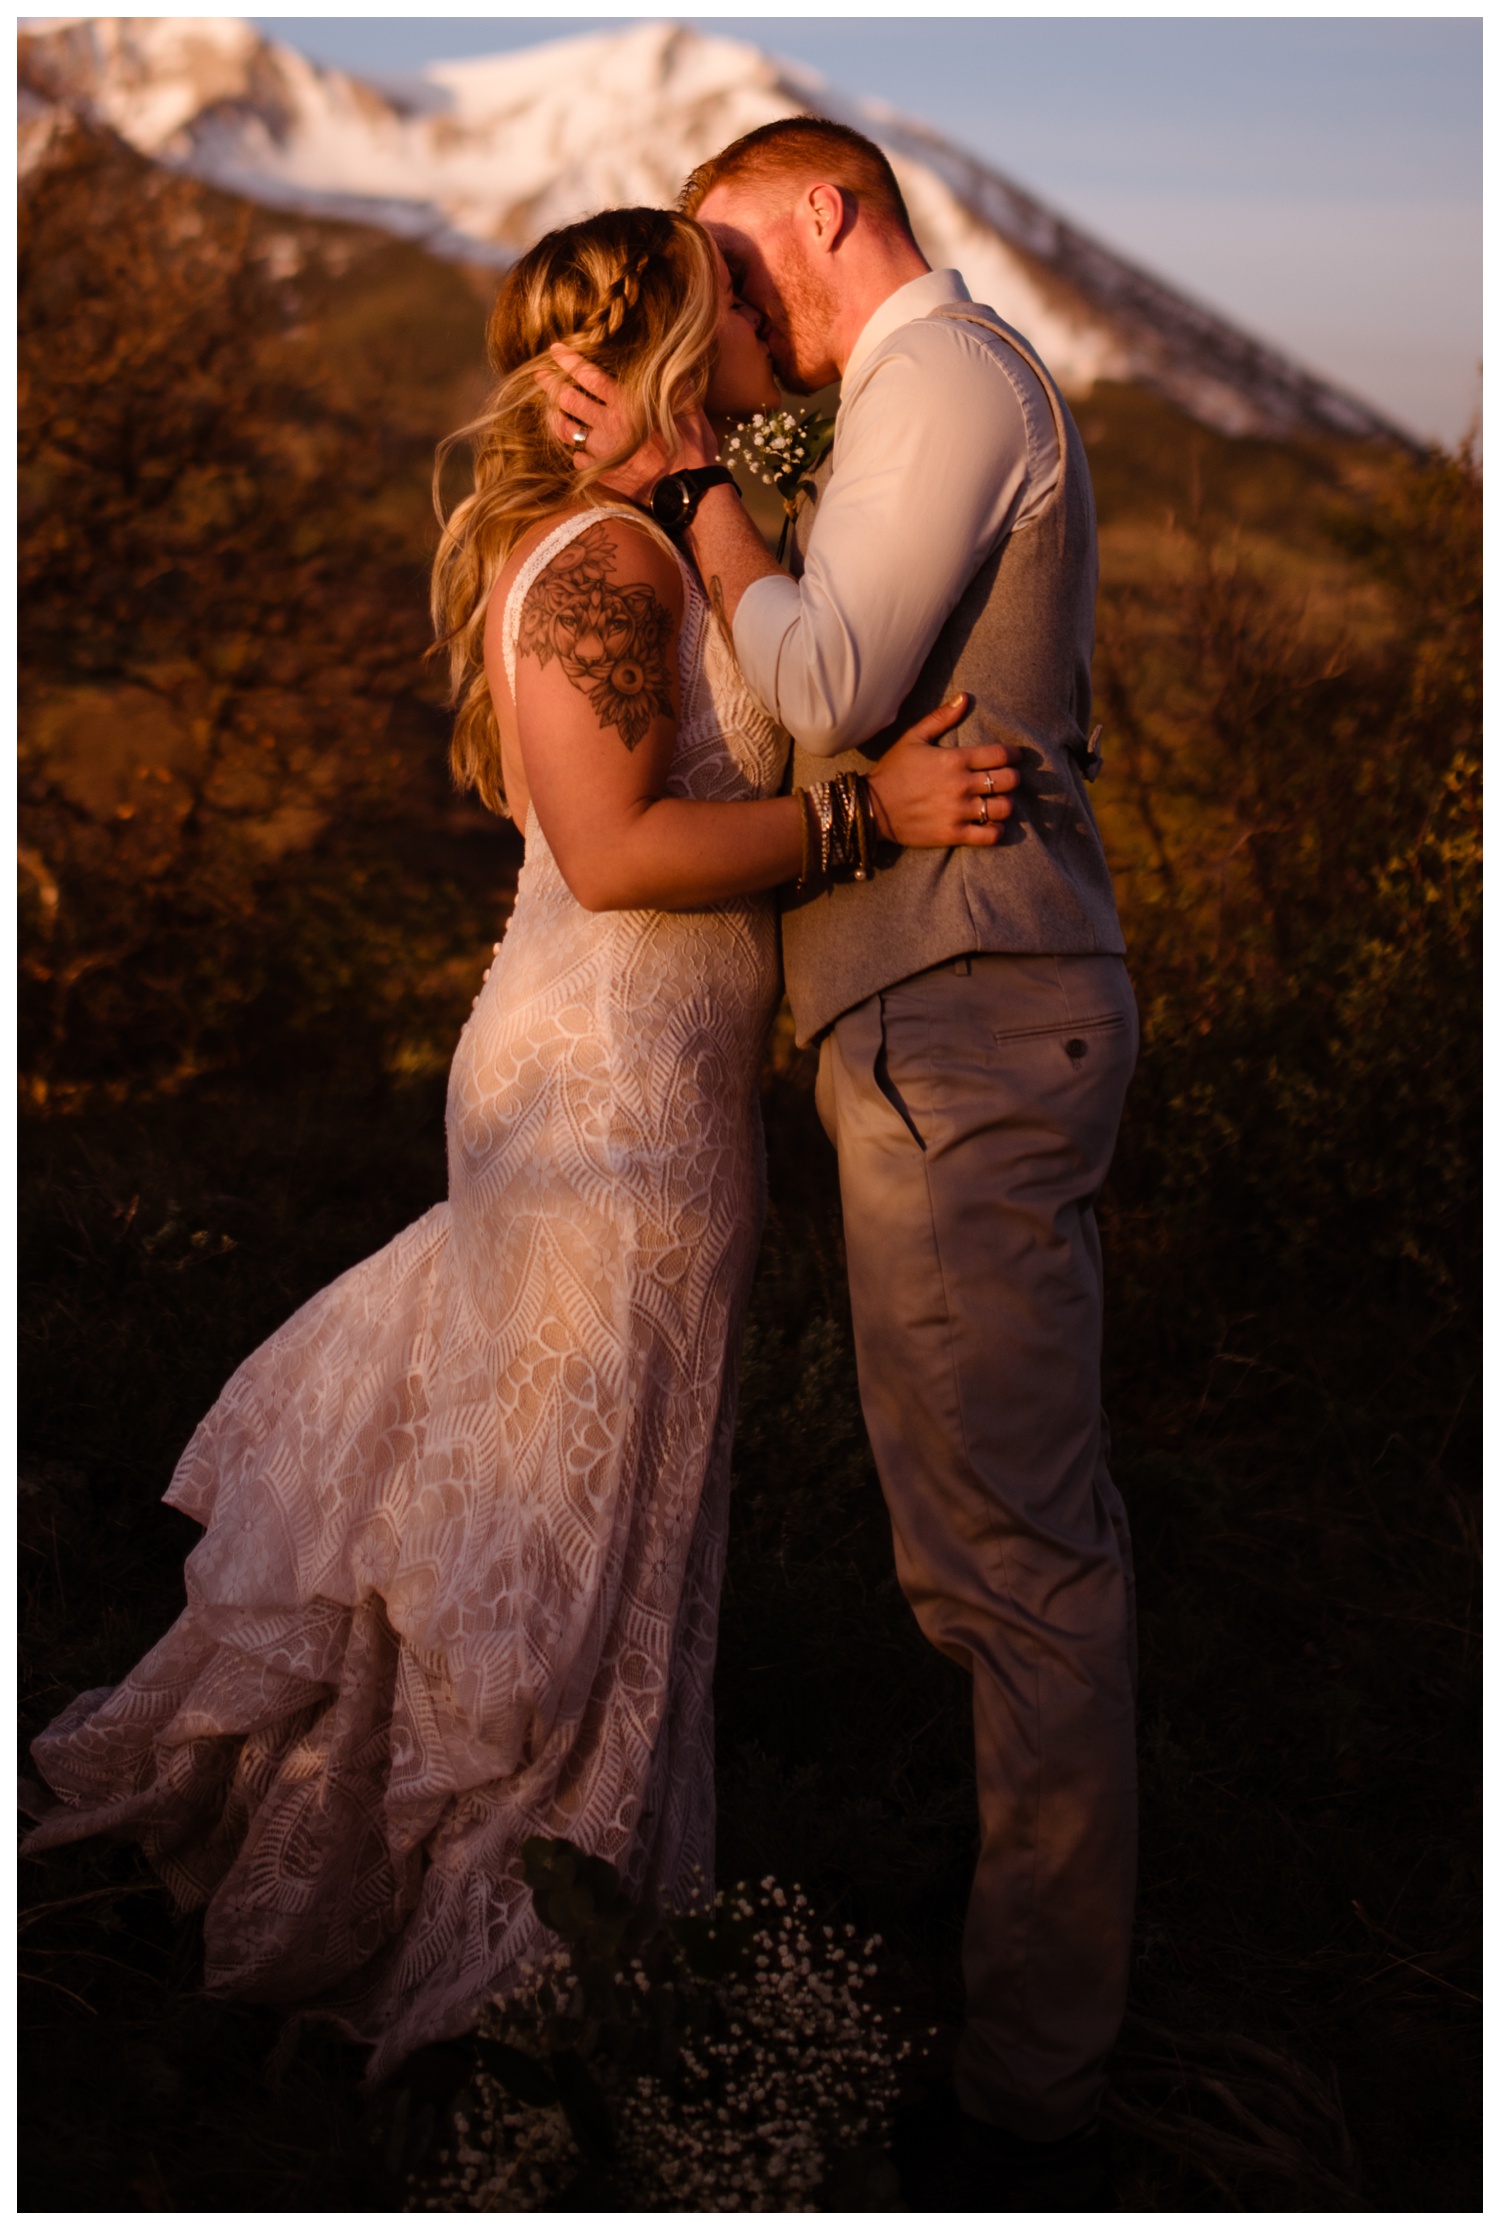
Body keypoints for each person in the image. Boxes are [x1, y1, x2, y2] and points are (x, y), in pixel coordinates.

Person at [19, 204, 1016, 2082]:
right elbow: (627, 848)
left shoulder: (661, 536)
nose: (760, 325)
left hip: (644, 1083)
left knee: (580, 1494)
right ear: (661, 340)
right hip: (605, 1101)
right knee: (563, 1517)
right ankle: (499, 1966)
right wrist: (866, 819)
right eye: (728, 302)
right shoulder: (602, 571)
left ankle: (539, 1910)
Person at [544, 119, 1138, 2209]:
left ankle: (1039, 2098)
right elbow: (829, 728)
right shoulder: (900, 406)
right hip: (929, 1021)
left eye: (730, 250)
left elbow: (819, 678)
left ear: (826, 210)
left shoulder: (945, 383)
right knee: (978, 1555)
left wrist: (698, 484)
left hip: (971, 1021)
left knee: (1015, 1568)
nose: (717, 302)